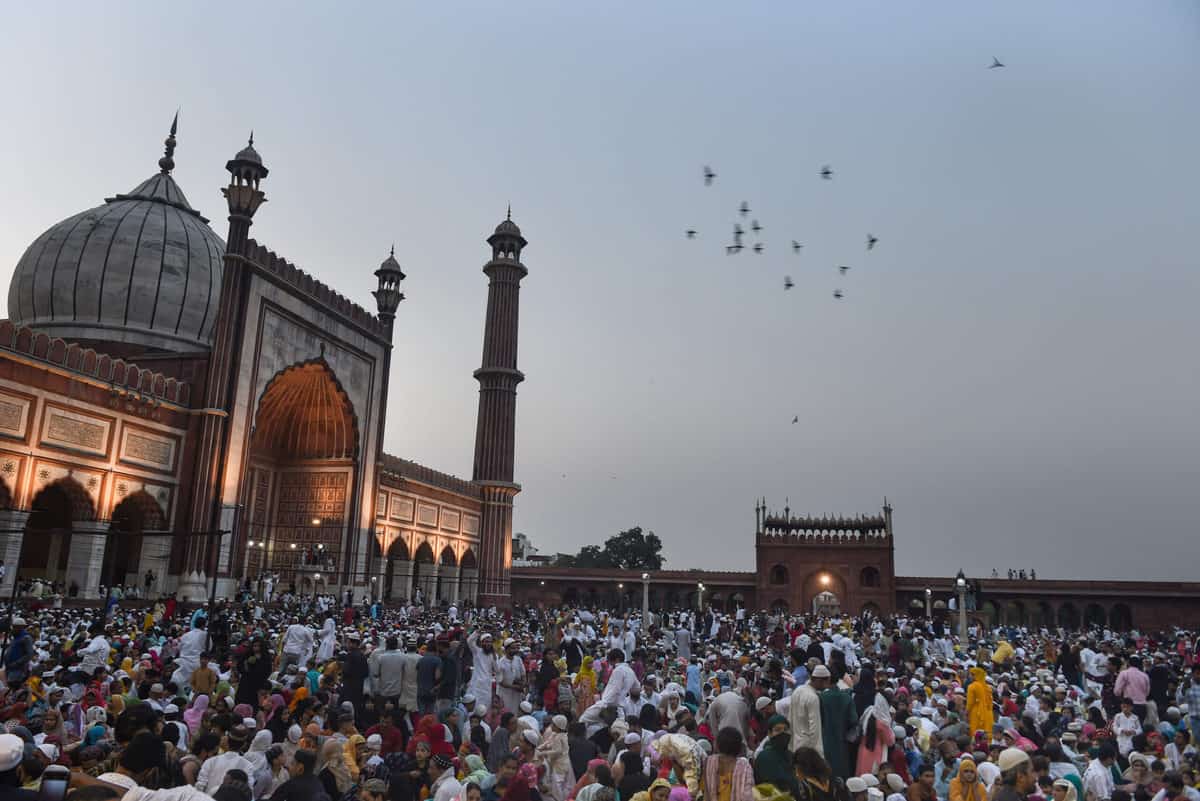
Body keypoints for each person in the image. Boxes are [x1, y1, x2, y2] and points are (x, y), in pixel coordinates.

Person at [791, 665, 827, 754]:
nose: (826, 686)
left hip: (796, 744)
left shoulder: (798, 690)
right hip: (809, 749)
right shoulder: (813, 698)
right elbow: (815, 729)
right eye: (826, 682)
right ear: (819, 680)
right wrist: (819, 755)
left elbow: (791, 719)